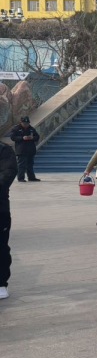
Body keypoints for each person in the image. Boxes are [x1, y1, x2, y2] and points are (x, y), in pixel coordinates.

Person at [0, 141, 17, 298]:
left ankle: (1, 283)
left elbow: (9, 173)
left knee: (1, 247)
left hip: (1, 209)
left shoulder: (4, 150)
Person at [10, 115, 41, 182]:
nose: (26, 125)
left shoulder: (31, 129)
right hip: (21, 150)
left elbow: (37, 137)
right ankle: (21, 177)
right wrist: (22, 138)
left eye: (27, 123)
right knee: (21, 164)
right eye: (24, 123)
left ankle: (31, 177)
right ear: (21, 122)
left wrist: (32, 138)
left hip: (30, 149)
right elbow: (13, 137)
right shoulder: (16, 129)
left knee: (30, 164)